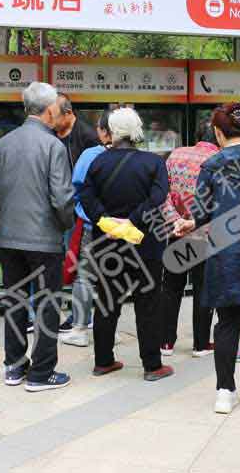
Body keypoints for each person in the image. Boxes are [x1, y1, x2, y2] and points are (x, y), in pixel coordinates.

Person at [174, 103, 240, 414]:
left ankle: (225, 391)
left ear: (218, 133)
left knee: (227, 323)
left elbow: (202, 211)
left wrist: (190, 223)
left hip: (226, 253)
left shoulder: (213, 165)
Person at [0, 81, 75, 392]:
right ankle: (41, 373)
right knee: (48, 304)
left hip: (9, 237)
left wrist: (10, 215)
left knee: (14, 300)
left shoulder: (3, 144)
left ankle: (14, 366)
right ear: (50, 109)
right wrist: (65, 225)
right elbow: (62, 198)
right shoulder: (53, 146)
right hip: (44, 239)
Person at [78, 107, 174, 382]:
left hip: (108, 242)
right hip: (146, 243)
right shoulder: (153, 163)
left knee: (107, 302)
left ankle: (103, 361)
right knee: (148, 304)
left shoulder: (97, 163)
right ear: (136, 130)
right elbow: (158, 197)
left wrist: (107, 222)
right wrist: (131, 221)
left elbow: (85, 197)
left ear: (112, 131)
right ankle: (152, 366)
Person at [158, 112, 219, 358]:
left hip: (176, 230)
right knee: (203, 288)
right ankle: (201, 344)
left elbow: (162, 194)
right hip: (206, 234)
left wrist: (176, 220)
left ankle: (165, 342)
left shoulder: (175, 155)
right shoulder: (219, 160)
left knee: (171, 287)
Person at [60, 109, 113, 347]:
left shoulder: (91, 155)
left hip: (92, 225)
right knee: (112, 277)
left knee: (84, 276)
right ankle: (110, 330)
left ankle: (80, 329)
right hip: (122, 228)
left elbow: (76, 188)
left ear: (104, 132)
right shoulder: (134, 156)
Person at [55, 93, 100, 170]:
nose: (51, 120)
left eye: (55, 116)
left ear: (68, 113)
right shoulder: (50, 131)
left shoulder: (88, 135)